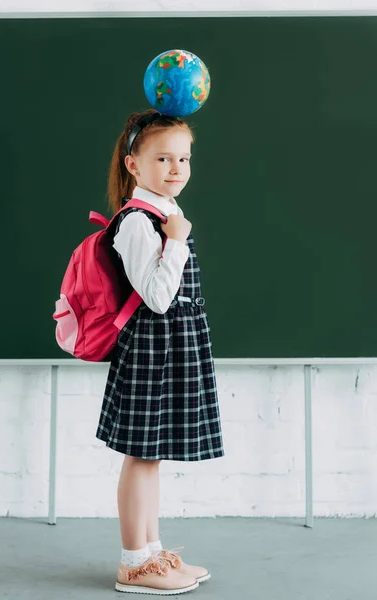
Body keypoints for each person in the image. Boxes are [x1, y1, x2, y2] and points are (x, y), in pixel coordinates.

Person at [95, 108, 225, 595]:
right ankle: (133, 564)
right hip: (151, 347)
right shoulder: (137, 221)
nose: (177, 169)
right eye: (163, 158)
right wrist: (175, 242)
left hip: (171, 346)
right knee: (140, 455)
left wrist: (174, 233)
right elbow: (156, 297)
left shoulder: (165, 214)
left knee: (151, 457)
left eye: (184, 158)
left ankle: (153, 555)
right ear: (133, 165)